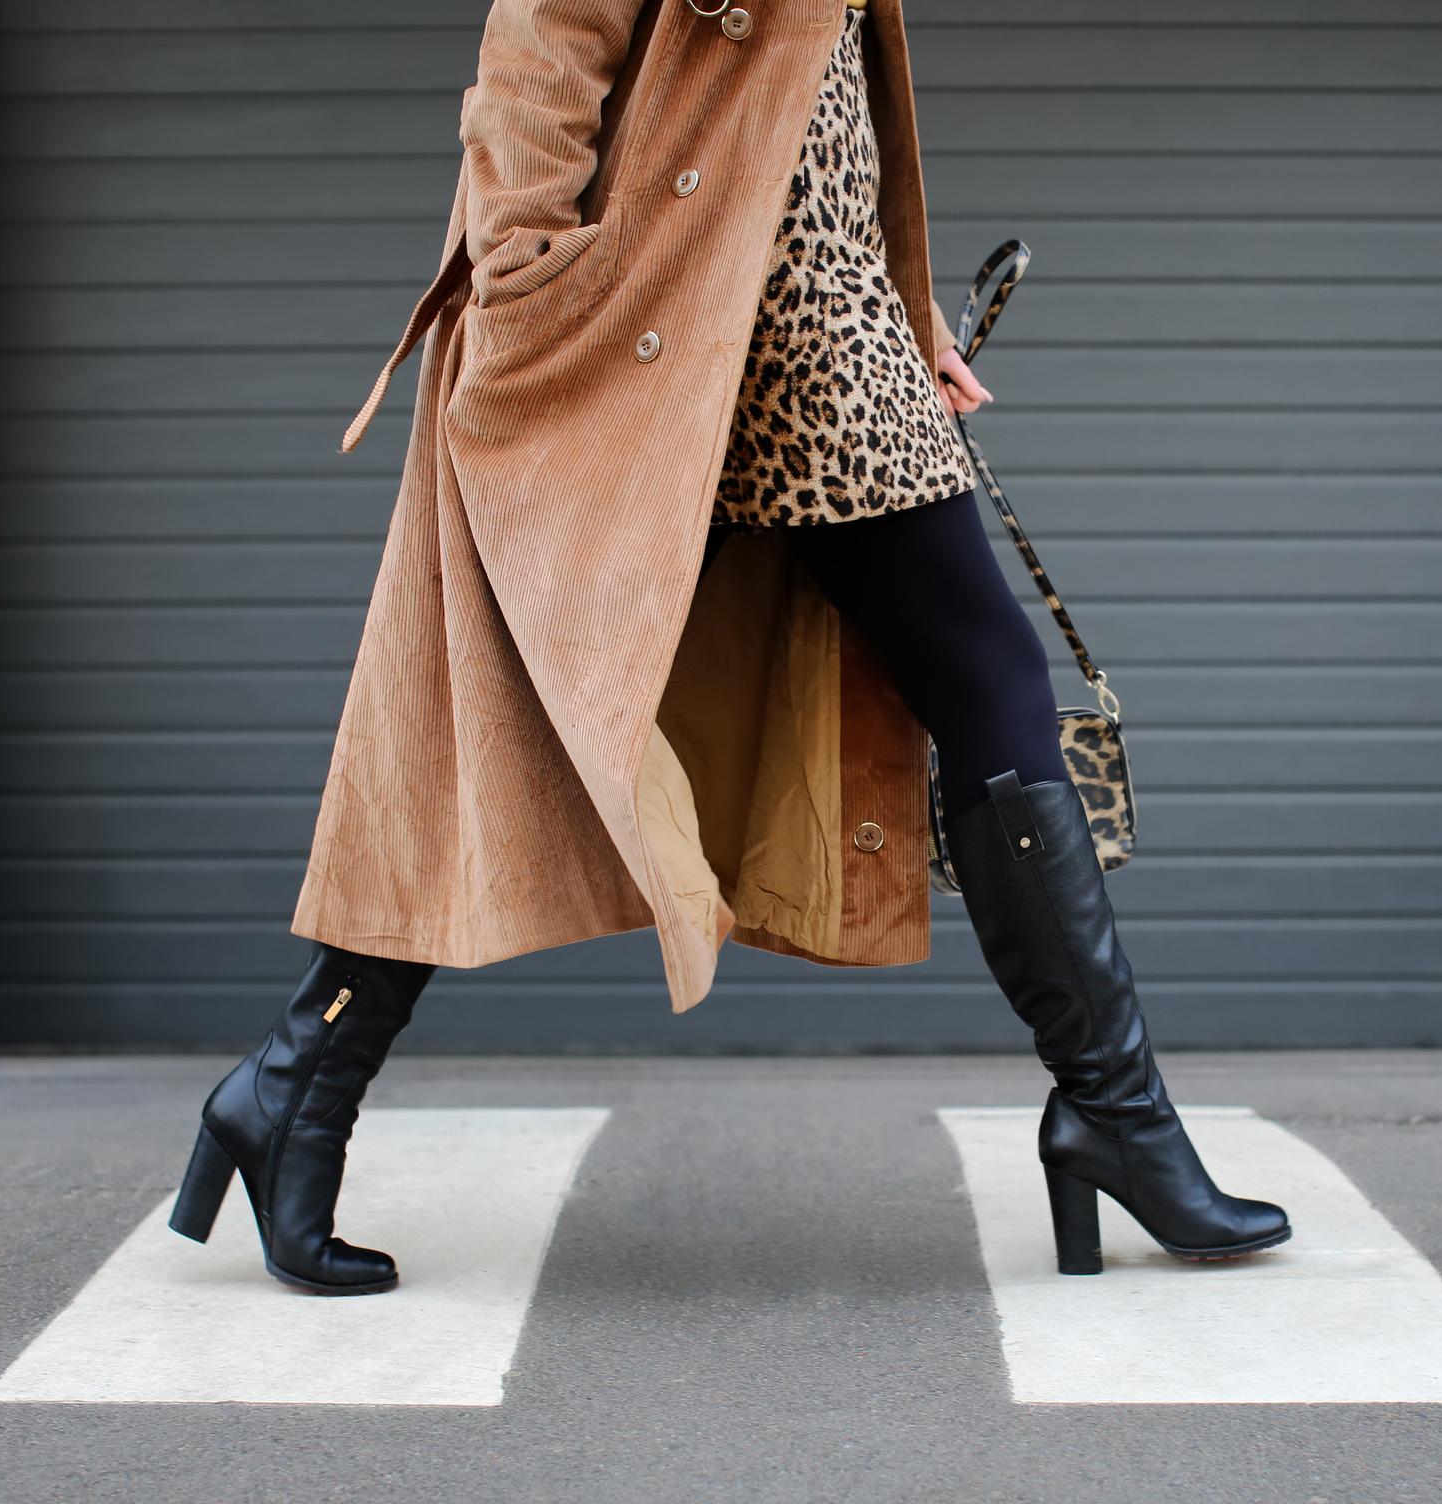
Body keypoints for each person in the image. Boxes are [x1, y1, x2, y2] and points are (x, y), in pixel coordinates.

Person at [165, 0, 1288, 1297]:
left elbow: (809, 105)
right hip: (720, 314)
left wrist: (894, 286)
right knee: (973, 680)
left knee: (570, 702)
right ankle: (1114, 1117)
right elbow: (543, 35)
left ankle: (292, 1088)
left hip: (806, 305)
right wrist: (528, 276)